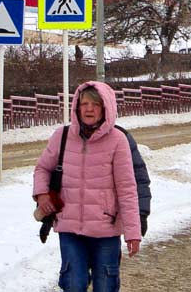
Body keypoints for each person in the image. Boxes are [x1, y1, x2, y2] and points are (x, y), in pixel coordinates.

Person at [33, 81, 141, 292]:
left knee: (105, 286)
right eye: (84, 104)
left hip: (106, 230)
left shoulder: (118, 141)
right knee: (74, 283)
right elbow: (42, 169)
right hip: (70, 228)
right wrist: (41, 194)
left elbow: (127, 189)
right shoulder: (62, 136)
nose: (89, 109)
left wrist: (132, 232)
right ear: (77, 107)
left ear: (105, 108)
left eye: (95, 104)